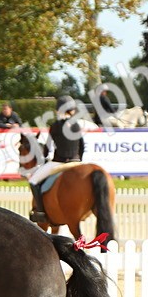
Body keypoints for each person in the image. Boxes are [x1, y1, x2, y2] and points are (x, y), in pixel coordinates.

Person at [27, 95, 86, 223]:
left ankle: (41, 212)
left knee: (33, 181)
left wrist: (45, 157)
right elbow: (82, 146)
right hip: (76, 163)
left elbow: (48, 148)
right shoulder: (77, 125)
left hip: (59, 163)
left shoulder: (55, 126)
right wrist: (79, 160)